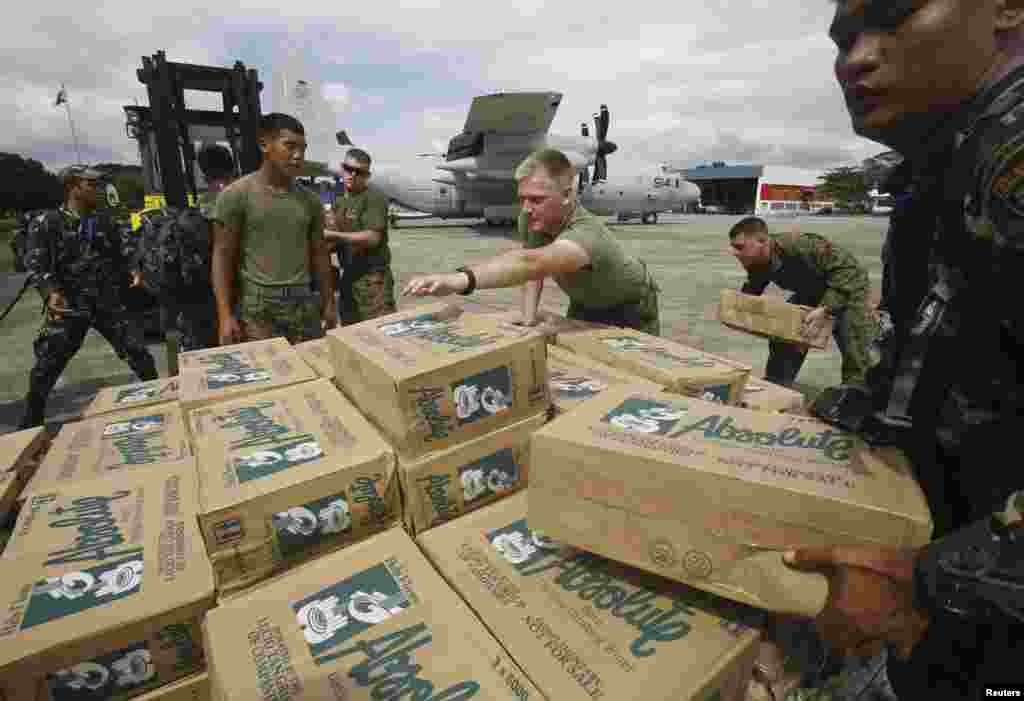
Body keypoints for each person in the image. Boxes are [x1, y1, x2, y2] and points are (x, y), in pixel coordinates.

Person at [786, 2, 1024, 699]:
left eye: (895, 13)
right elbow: (944, 363)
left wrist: (924, 581)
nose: (855, 57)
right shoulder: (943, 167)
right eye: (842, 38)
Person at [402, 148, 661, 335]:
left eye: (537, 199)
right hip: (584, 303)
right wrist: (528, 321)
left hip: (630, 308)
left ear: (567, 194)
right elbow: (534, 275)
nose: (526, 208)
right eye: (522, 198)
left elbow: (531, 263)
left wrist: (458, 280)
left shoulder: (588, 234)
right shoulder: (533, 219)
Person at [19, 165, 158, 428]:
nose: (98, 189)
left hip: (106, 302)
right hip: (70, 306)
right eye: (91, 184)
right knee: (48, 364)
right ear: (73, 187)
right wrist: (51, 293)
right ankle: (31, 421)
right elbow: (37, 263)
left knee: (138, 352)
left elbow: (124, 252)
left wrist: (134, 271)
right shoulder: (48, 223)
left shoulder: (104, 221)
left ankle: (166, 399)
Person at [211, 113, 336, 345]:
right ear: (264, 145)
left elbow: (320, 254)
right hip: (259, 310)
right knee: (270, 373)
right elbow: (222, 257)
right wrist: (225, 316)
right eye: (290, 146)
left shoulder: (309, 200)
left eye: (303, 148)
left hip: (303, 303)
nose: (298, 156)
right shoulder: (236, 196)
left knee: (312, 373)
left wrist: (329, 302)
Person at [728, 216, 874, 388]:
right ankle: (777, 386)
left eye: (740, 247)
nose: (735, 252)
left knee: (855, 347)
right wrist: (741, 304)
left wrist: (825, 309)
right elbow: (756, 281)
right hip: (811, 291)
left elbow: (848, 270)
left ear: (762, 241)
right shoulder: (755, 259)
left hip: (848, 288)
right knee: (785, 334)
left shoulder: (799, 245)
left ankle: (857, 397)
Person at [324, 148, 397, 325]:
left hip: (372, 279)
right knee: (351, 330)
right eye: (349, 169)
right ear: (342, 168)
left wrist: (332, 235)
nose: (353, 175)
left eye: (360, 172)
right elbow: (333, 239)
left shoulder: (373, 197)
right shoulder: (340, 200)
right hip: (348, 276)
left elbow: (373, 238)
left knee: (382, 331)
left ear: (367, 175)